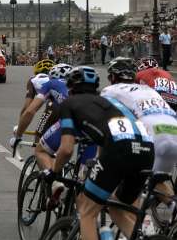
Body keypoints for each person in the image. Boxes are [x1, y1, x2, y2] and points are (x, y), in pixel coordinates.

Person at [48, 66, 154, 240]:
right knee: (116, 207)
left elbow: (66, 149)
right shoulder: (110, 101)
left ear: (70, 88)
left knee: (87, 211)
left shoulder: (69, 103)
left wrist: (53, 172)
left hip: (119, 149)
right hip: (147, 149)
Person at [102, 57, 177, 198]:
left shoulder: (111, 90)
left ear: (112, 77)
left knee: (132, 184)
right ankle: (172, 205)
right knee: (157, 181)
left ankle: (143, 218)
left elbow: (109, 122)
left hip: (155, 135)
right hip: (173, 129)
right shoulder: (151, 88)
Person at [11, 63, 71, 170]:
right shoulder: (74, 84)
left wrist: (18, 133)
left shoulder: (34, 80)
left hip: (55, 108)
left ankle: (45, 170)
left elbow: (28, 109)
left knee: (39, 140)